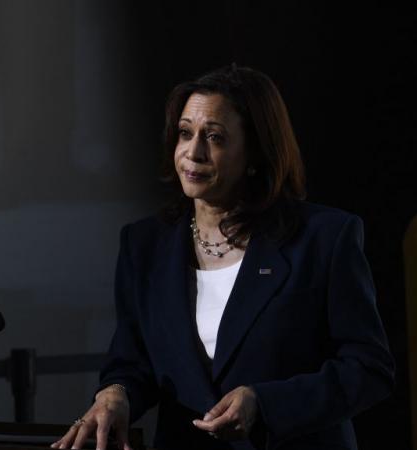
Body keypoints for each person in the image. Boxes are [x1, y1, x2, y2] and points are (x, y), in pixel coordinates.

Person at [51, 64, 395, 450]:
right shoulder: (144, 244)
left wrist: (265, 404)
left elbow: (369, 370)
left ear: (255, 153)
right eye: (185, 133)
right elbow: (133, 361)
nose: (192, 153)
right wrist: (115, 394)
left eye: (214, 137)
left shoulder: (323, 238)